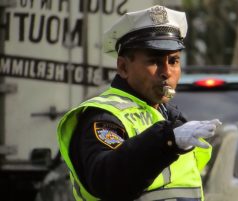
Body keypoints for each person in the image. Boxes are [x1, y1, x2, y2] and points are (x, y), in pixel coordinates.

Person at [57, 5, 222, 201]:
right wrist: (166, 141)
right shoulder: (105, 116)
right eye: (154, 61)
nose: (166, 72)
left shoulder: (170, 115)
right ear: (123, 67)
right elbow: (107, 180)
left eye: (173, 61)